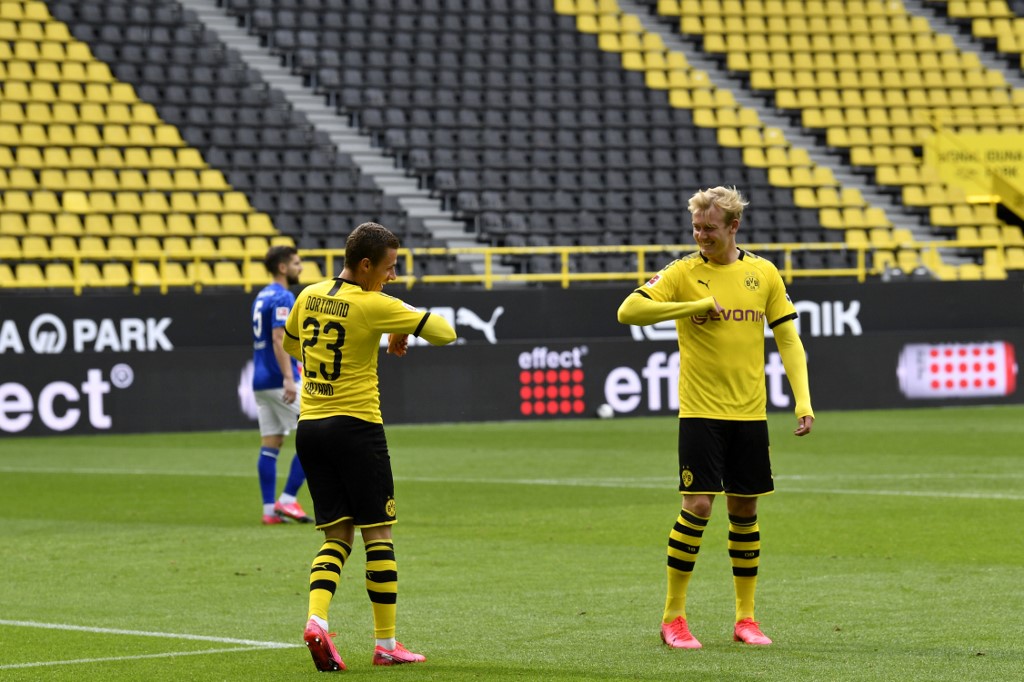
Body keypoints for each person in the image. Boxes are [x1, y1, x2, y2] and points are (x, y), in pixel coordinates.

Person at [616, 186, 814, 650]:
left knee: (745, 509)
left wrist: (802, 400)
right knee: (699, 506)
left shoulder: (763, 273)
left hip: (750, 413)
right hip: (700, 411)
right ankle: (673, 618)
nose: (700, 235)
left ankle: (746, 618)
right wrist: (692, 307)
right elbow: (629, 310)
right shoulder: (683, 273)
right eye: (696, 228)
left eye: (709, 228)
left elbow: (789, 340)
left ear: (733, 227)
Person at [282, 222, 457, 672]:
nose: (392, 276)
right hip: (356, 427)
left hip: (310, 427)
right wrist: (402, 323)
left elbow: (292, 343)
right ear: (365, 265)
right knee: (378, 534)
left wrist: (375, 333)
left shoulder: (307, 295)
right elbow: (445, 332)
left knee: (336, 535)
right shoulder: (374, 302)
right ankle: (386, 644)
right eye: (389, 267)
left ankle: (317, 620)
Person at [251, 245, 313, 525]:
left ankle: (268, 510)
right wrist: (289, 377)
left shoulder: (261, 296)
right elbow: (279, 339)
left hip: (261, 380)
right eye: (297, 263)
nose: (301, 268)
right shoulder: (283, 296)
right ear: (283, 267)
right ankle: (288, 500)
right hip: (279, 379)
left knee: (271, 443)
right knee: (314, 438)